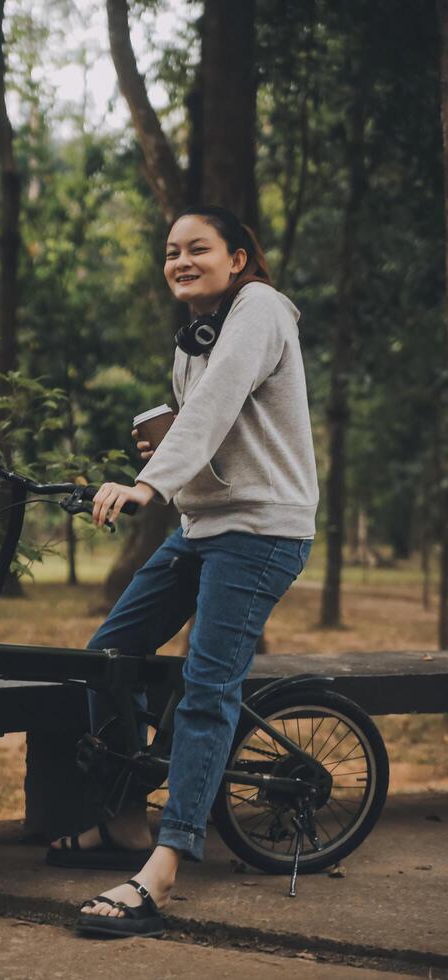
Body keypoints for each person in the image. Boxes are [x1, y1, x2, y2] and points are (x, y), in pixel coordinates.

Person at [48, 205, 319, 937]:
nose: (180, 260)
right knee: (110, 655)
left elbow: (222, 402)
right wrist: (161, 448)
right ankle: (124, 821)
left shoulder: (260, 309)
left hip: (261, 531)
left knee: (207, 686)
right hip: (205, 527)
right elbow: (208, 421)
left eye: (198, 247)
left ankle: (162, 871)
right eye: (171, 250)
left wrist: (147, 484)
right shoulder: (196, 336)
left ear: (239, 258)